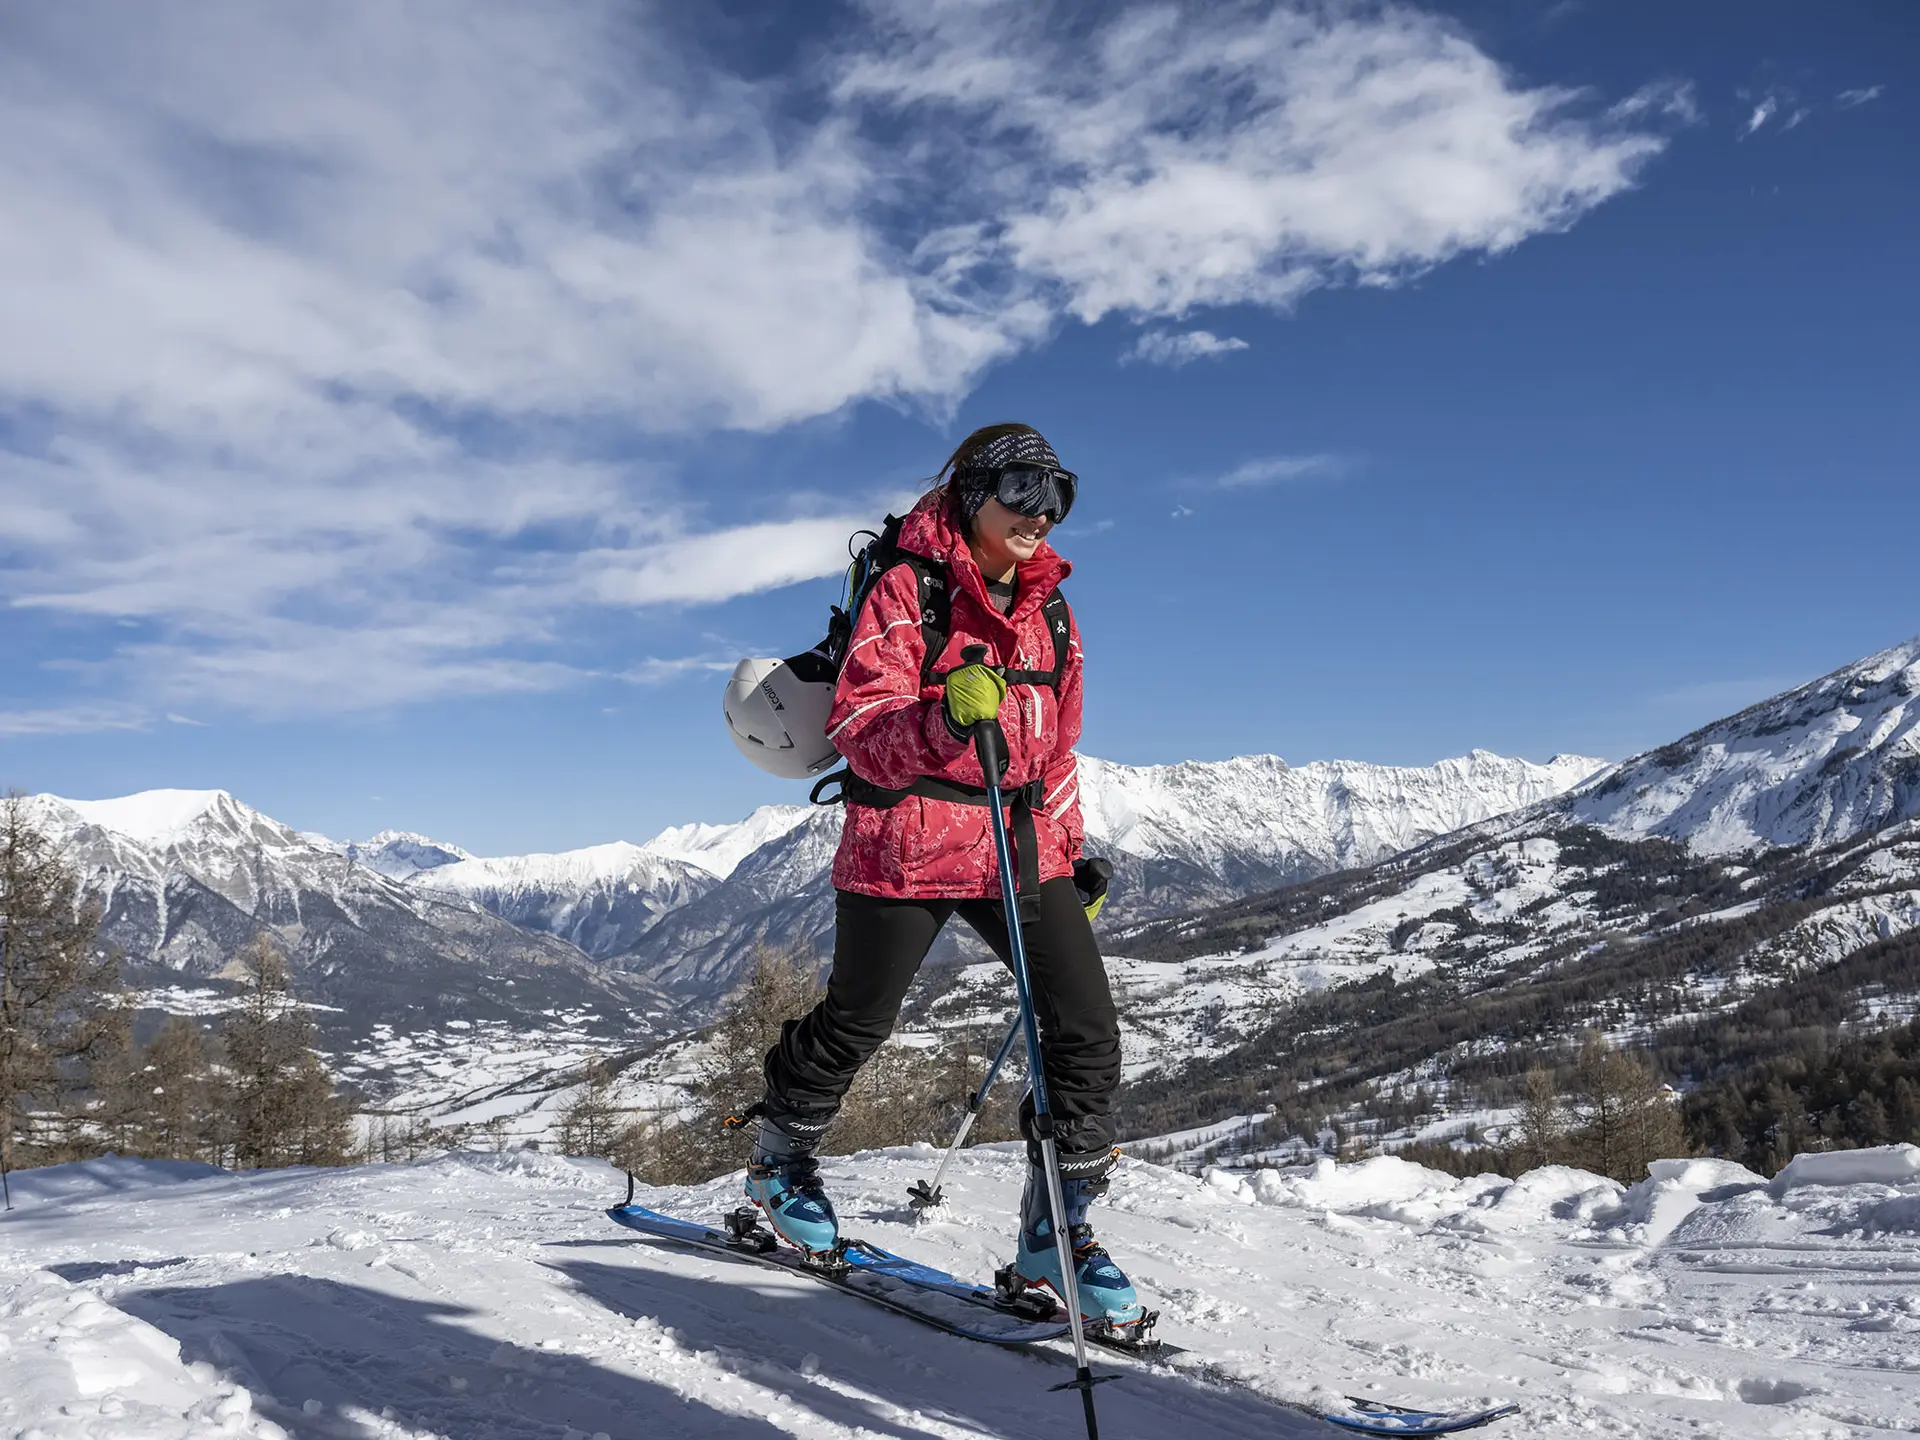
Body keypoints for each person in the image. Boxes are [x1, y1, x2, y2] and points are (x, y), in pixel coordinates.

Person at [741, 422, 1144, 1328]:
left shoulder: (1055, 611)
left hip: (1016, 842)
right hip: (908, 843)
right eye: (1019, 488)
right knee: (858, 1020)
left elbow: (1058, 749)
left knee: (1083, 1030)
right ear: (971, 493)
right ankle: (779, 1163)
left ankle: (1056, 1233)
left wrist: (1069, 852)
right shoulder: (907, 588)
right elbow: (863, 728)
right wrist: (949, 726)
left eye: (1058, 492)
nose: (1041, 511)